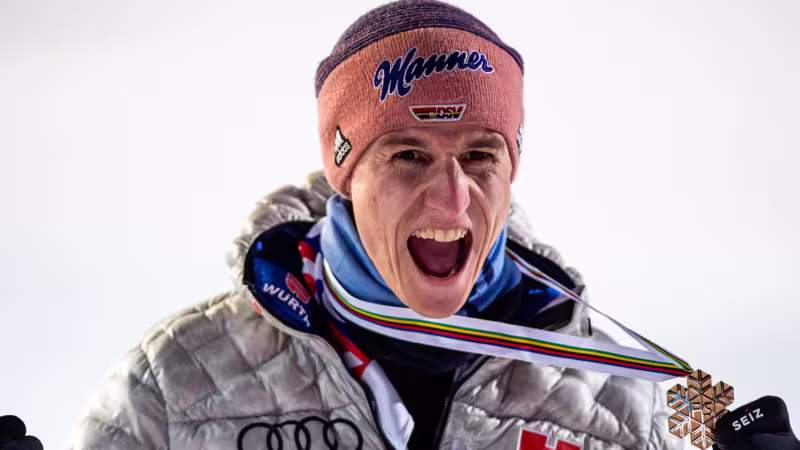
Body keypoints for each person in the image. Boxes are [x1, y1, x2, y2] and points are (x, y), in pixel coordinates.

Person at [68, 1, 684, 449]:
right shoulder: (174, 381)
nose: (451, 201)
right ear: (345, 174)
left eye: (479, 156)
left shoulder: (623, 398)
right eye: (409, 155)